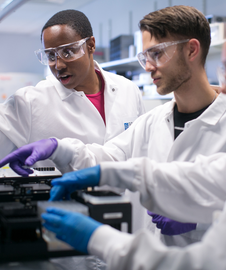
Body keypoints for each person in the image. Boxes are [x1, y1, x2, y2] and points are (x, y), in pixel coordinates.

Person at [0, 5, 226, 248]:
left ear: (192, 50)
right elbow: (112, 159)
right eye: (145, 56)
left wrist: (202, 220)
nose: (148, 66)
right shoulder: (154, 121)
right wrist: (59, 149)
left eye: (157, 54)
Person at [0, 9, 144, 270]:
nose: (58, 64)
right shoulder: (30, 102)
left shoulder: (127, 90)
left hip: (126, 239)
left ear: (90, 45)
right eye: (51, 55)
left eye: (67, 52)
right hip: (66, 251)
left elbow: (139, 153)